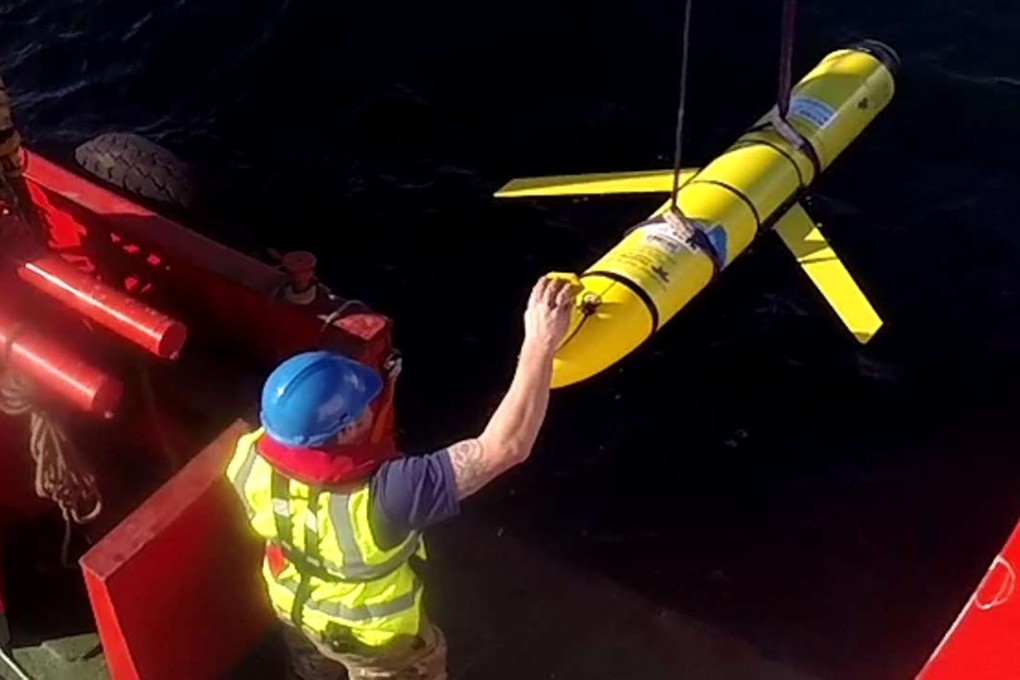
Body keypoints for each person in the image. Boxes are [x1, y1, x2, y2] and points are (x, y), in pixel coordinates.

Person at [226, 274, 579, 679]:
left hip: (294, 607)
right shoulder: (388, 495)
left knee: (314, 670)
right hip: (376, 642)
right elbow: (506, 447)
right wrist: (540, 341)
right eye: (362, 404)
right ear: (344, 430)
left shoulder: (247, 456)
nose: (370, 405)